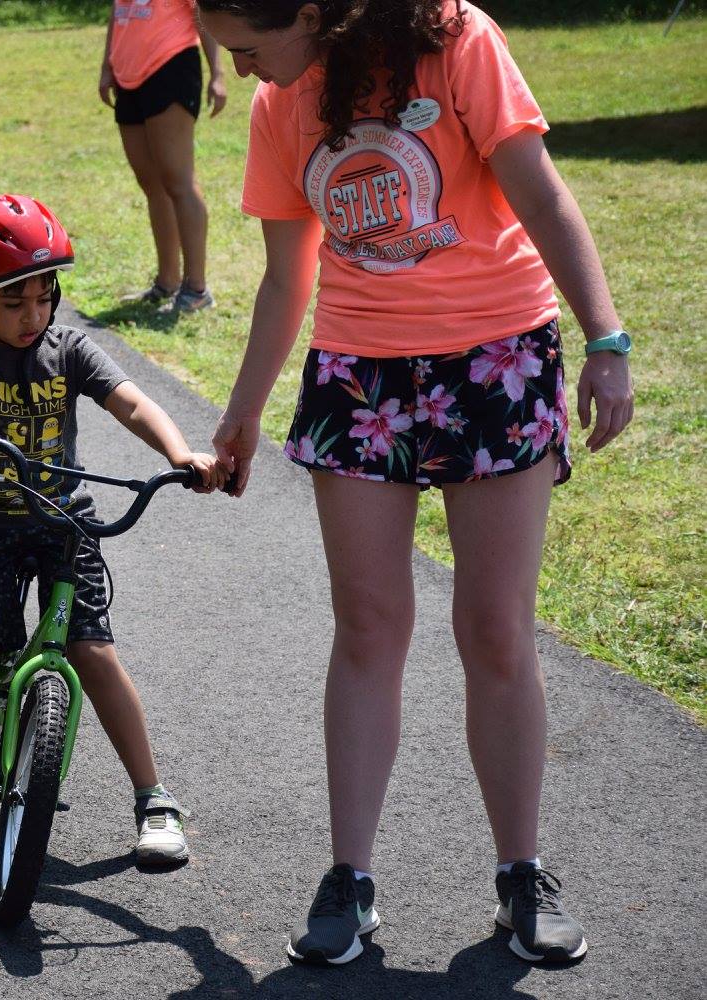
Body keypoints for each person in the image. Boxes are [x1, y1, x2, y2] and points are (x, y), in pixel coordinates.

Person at [198, 0, 634, 967]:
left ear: (309, 12)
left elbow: (540, 191)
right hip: (361, 373)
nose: (248, 73)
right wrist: (242, 412)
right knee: (367, 624)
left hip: (496, 357)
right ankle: (349, 880)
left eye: (249, 49)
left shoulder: (451, 39)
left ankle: (522, 874)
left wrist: (604, 338)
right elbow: (286, 278)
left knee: (493, 625)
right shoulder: (280, 108)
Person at [0, 195, 229, 863]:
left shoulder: (68, 348)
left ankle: (154, 799)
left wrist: (180, 454)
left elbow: (131, 402)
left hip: (61, 525)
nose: (34, 315)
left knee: (94, 654)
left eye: (44, 298)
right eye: (13, 302)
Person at [100, 1, 228, 314]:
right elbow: (118, 14)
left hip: (170, 66)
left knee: (178, 181)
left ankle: (196, 289)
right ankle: (167, 282)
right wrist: (106, 68)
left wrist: (218, 73)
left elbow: (203, 12)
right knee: (151, 184)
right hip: (128, 75)